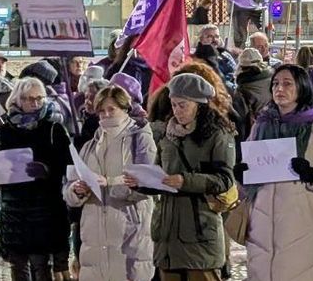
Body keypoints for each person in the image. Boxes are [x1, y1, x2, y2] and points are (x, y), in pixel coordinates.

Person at [242, 65, 313, 281]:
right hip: (262, 231)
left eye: (287, 83)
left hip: (303, 228)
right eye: (275, 83)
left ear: (301, 88)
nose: (279, 88)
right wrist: (242, 173)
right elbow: (251, 169)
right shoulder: (262, 124)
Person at [126, 72, 236, 281]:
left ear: (199, 104)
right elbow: (161, 176)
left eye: (183, 105)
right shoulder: (168, 135)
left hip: (199, 232)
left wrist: (185, 181)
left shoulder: (217, 134)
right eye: (174, 105)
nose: (177, 111)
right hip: (167, 235)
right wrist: (141, 183)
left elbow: (224, 179)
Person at [0, 77, 72, 281]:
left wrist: (47, 170)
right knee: (18, 265)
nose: (35, 103)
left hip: (44, 210)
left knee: (41, 265)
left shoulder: (53, 129)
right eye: (29, 98)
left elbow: (68, 164)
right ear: (17, 100)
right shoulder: (5, 131)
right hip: (14, 212)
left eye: (39, 98)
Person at [64, 84, 156, 281]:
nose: (106, 115)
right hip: (94, 237)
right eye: (101, 110)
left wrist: (109, 183)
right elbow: (70, 187)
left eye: (111, 109)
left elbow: (147, 183)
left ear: (124, 108)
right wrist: (77, 190)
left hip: (129, 232)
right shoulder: (89, 145)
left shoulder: (140, 139)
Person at [234, 47, 273, 136]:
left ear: (242, 67)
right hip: (275, 128)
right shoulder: (275, 80)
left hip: (256, 133)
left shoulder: (242, 90)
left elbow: (241, 118)